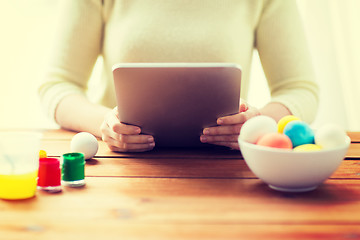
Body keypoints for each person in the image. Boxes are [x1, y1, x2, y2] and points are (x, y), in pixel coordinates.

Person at [38, 0, 319, 152]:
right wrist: (105, 124)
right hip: (120, 170)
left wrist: (256, 124)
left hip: (226, 173)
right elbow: (58, 85)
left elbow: (299, 89)